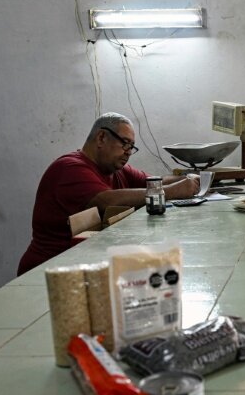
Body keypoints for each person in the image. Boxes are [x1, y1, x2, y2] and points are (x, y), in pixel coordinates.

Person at [18, 113, 200, 274]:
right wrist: (170, 192)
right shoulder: (69, 168)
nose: (128, 152)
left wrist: (191, 179)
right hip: (47, 272)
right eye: (125, 143)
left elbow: (154, 181)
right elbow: (105, 200)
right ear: (102, 137)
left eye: (132, 147)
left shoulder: (115, 169)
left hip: (83, 267)